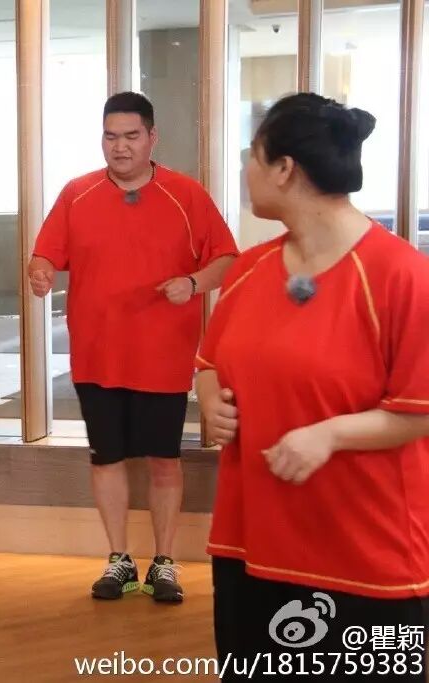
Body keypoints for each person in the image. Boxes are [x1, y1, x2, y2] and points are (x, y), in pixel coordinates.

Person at [197, 93, 429, 681]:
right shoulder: (249, 269)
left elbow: (420, 410)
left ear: (284, 168)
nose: (246, 171)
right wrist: (209, 399)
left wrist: (330, 435)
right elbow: (209, 363)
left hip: (366, 559)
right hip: (250, 547)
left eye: (252, 157)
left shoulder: (401, 275)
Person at [28, 92, 238, 603]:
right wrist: (40, 272)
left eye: (130, 136)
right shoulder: (77, 193)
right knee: (107, 458)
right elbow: (44, 254)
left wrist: (192, 282)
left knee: (164, 459)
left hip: (162, 355)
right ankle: (118, 559)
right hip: (96, 355)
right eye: (110, 136)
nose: (119, 147)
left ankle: (164, 562)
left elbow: (227, 258)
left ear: (152, 137)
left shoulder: (185, 194)